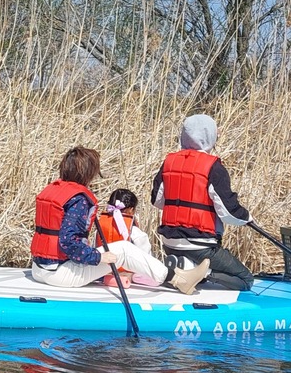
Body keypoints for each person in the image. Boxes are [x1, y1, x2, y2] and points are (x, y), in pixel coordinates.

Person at [30, 147, 183, 289]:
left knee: (117, 250)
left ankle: (173, 276)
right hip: (60, 273)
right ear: (88, 172)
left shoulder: (53, 190)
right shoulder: (78, 199)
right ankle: (176, 278)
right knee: (124, 249)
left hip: (38, 269)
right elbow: (67, 241)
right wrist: (98, 256)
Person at [151, 113, 253, 292]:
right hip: (200, 246)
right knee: (245, 279)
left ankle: (186, 266)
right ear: (211, 136)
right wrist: (247, 218)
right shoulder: (214, 167)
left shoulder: (169, 162)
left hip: (169, 244)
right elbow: (228, 213)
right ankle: (202, 272)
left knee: (193, 255)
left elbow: (157, 201)